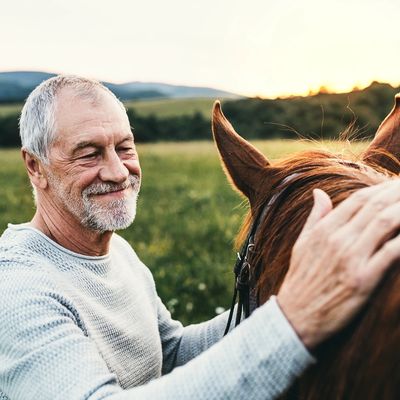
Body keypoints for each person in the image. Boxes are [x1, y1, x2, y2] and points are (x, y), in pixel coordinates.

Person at [0, 75, 399, 400]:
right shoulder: (16, 289)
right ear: (35, 167)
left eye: (124, 147)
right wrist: (291, 320)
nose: (118, 171)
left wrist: (281, 292)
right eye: (89, 154)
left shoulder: (115, 253)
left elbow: (170, 355)